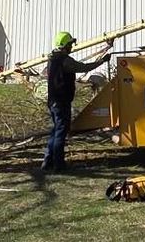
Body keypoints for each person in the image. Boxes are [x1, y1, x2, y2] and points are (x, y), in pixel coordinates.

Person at [40, 31, 109, 173]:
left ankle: (47, 162)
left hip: (53, 101)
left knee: (55, 131)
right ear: (65, 45)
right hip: (61, 101)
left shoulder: (52, 59)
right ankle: (58, 165)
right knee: (61, 132)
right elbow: (83, 67)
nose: (72, 47)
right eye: (70, 44)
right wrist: (102, 61)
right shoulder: (65, 61)